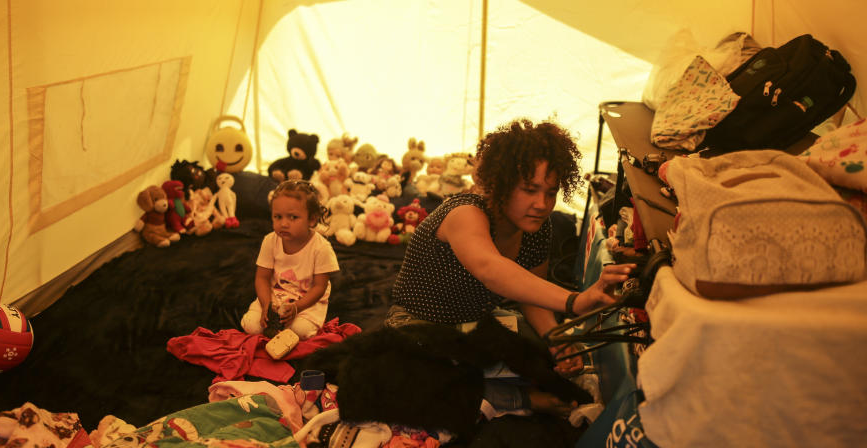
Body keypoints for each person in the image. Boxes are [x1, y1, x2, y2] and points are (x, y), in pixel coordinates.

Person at [387, 118, 635, 414]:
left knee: (549, 360)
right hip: (419, 328)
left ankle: (500, 392)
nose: (542, 204)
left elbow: (529, 297)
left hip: (476, 324)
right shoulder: (465, 213)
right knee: (417, 382)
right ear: (500, 184)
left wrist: (555, 338)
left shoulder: (537, 226)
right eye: (529, 189)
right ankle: (519, 401)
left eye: (551, 192)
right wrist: (575, 302)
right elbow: (492, 271)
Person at [241, 180, 340, 355]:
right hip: (276, 296)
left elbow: (320, 286)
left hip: (306, 301)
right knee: (252, 325)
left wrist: (297, 308)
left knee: (301, 331)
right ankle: (272, 324)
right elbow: (262, 277)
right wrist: (265, 305)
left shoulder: (321, 248)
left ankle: (287, 327)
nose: (284, 223)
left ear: (312, 219)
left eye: (293, 217)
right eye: (278, 217)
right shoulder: (270, 241)